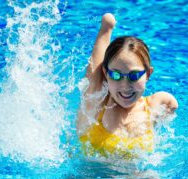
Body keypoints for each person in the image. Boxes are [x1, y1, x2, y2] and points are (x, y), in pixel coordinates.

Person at [76, 13, 178, 159]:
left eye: (134, 76)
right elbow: (95, 72)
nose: (125, 85)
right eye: (116, 75)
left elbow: (171, 104)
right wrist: (106, 29)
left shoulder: (151, 108)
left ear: (148, 74)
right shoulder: (95, 104)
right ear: (106, 73)